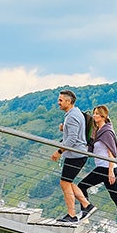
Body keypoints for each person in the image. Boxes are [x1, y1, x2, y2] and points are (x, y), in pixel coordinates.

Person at [77, 105, 117, 228]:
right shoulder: (98, 131)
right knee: (115, 196)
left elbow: (111, 152)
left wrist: (110, 171)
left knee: (81, 186)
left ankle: (85, 212)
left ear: (103, 116)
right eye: (94, 113)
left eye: (96, 114)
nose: (94, 116)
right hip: (104, 168)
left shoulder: (107, 132)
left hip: (106, 168)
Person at [50, 90, 91, 222]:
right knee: (67, 182)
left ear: (69, 101)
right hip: (78, 154)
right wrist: (64, 128)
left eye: (61, 100)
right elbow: (74, 133)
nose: (58, 103)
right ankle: (86, 205)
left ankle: (72, 215)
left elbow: (72, 139)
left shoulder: (72, 116)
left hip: (75, 155)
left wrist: (59, 151)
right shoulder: (74, 113)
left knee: (64, 183)